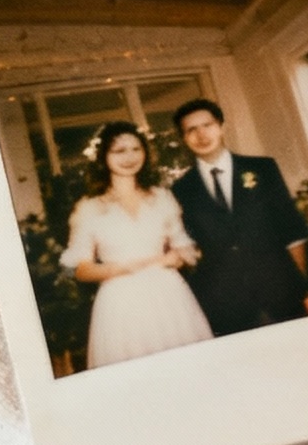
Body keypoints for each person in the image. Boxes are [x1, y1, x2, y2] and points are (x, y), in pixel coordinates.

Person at [60, 122, 213, 370]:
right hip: (121, 302)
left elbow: (184, 245)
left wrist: (180, 256)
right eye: (119, 151)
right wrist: (126, 268)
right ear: (102, 157)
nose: (130, 157)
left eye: (135, 149)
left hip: (168, 296)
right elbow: (79, 268)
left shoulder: (161, 197)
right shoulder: (89, 207)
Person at [170, 98, 308, 336]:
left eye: (207, 125)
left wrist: (301, 288)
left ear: (221, 126)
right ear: (183, 138)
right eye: (191, 130)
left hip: (281, 291)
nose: (201, 135)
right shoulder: (181, 189)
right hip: (224, 304)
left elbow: (292, 230)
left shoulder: (263, 169)